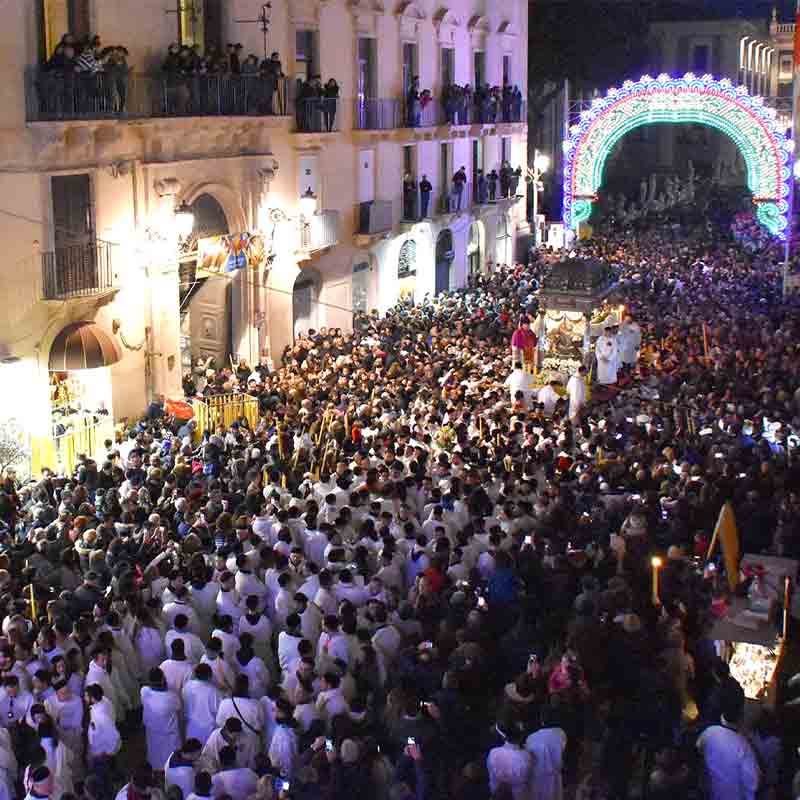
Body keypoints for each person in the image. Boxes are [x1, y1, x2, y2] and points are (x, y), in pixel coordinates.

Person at [696, 696, 760, 800]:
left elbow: (698, 750)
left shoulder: (709, 732)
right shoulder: (744, 746)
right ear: (741, 718)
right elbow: (753, 782)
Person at [141, 668, 183, 771]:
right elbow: (179, 709)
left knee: (155, 755)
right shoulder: (171, 697)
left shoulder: (144, 691)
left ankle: (157, 772)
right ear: (162, 680)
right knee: (170, 760)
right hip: (168, 735)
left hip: (152, 732)